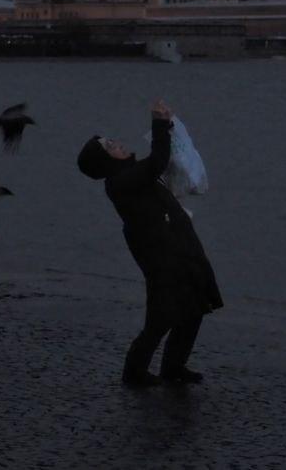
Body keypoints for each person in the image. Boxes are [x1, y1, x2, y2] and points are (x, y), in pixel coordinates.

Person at [76, 99, 223, 386]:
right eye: (111, 147)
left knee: (193, 307)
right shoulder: (121, 181)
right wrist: (159, 124)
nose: (118, 145)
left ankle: (173, 367)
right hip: (162, 255)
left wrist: (167, 126)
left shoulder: (128, 176)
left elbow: (158, 163)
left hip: (177, 248)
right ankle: (134, 372)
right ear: (107, 161)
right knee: (162, 316)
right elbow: (158, 160)